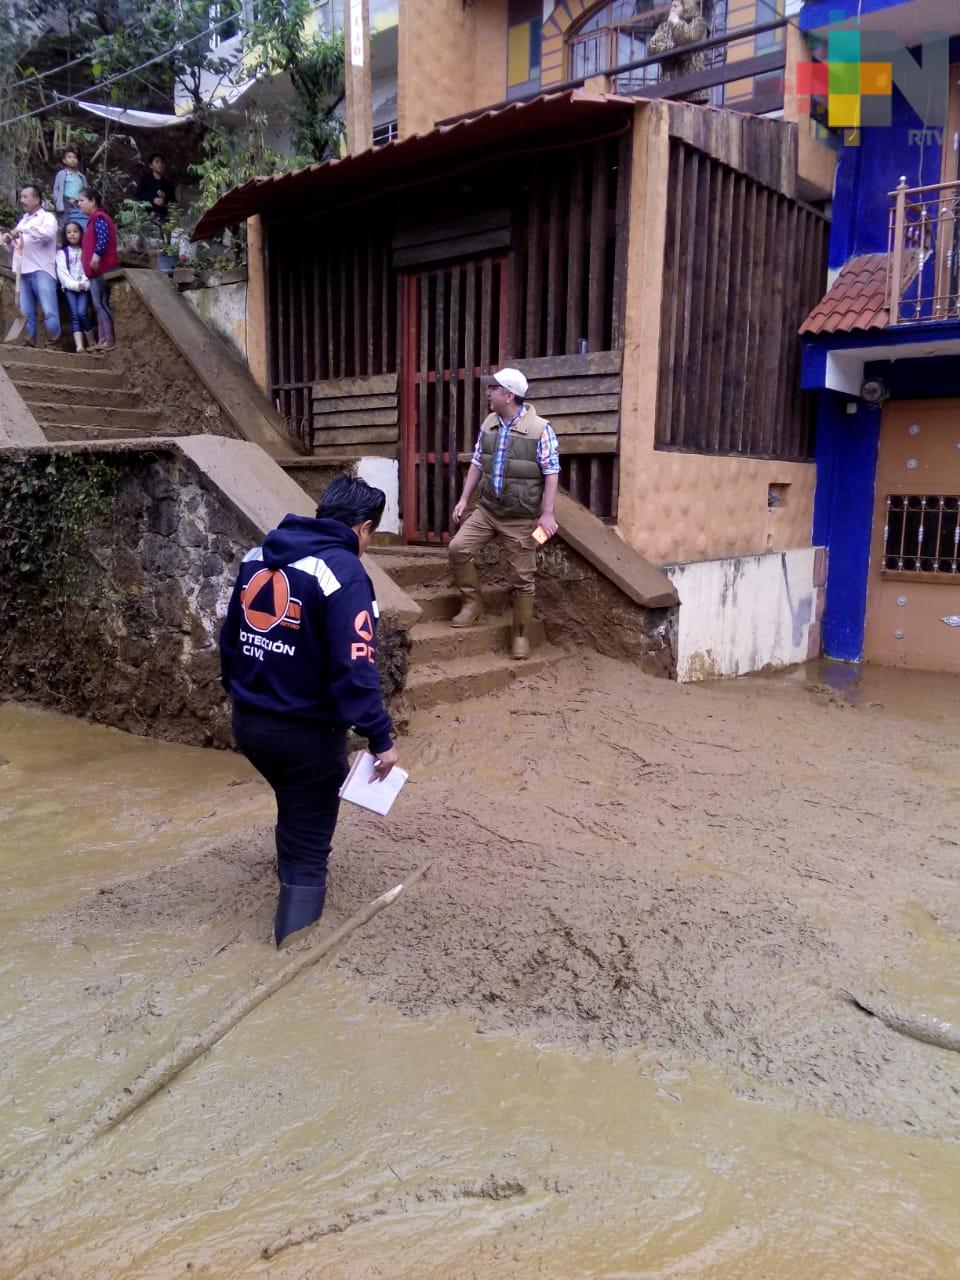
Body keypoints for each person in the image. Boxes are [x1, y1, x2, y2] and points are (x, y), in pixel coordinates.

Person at [219, 475, 400, 948]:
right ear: (362, 528)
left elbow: (229, 638)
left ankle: (286, 867)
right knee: (309, 846)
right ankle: (291, 950)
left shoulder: (258, 555)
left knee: (293, 802)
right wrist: (380, 737)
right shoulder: (344, 570)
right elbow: (356, 664)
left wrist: (240, 694)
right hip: (305, 736)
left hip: (249, 722)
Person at [448, 367, 560, 660]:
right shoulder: (489, 423)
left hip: (520, 517)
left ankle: (520, 635)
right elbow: (477, 463)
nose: (488, 393)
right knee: (458, 548)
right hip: (487, 511)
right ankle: (472, 604)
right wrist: (463, 499)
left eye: (493, 389)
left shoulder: (540, 430)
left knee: (523, 577)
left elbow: (551, 472)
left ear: (508, 395)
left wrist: (547, 515)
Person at [1, 184, 60, 349]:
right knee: (26, 312)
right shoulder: (23, 220)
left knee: (49, 310)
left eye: (26, 196)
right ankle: (29, 341)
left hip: (42, 269)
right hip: (23, 271)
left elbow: (47, 234)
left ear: (37, 199)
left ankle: (53, 342)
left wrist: (24, 230)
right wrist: (8, 239)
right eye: (21, 197)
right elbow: (19, 244)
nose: (22, 200)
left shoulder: (47, 217)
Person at [77, 187, 119, 351]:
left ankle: (108, 339)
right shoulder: (93, 220)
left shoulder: (100, 218)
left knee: (101, 303)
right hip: (94, 271)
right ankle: (102, 339)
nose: (78, 204)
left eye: (82, 200)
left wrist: (97, 255)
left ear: (93, 201)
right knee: (98, 304)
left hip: (102, 269)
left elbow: (103, 238)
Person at [56, 220, 95, 353]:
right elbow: (63, 274)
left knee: (82, 312)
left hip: (85, 287)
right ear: (65, 235)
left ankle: (91, 342)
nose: (72, 234)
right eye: (69, 232)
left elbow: (89, 270)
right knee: (74, 314)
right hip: (69, 289)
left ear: (81, 233)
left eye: (75, 231)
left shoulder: (86, 251)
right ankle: (79, 346)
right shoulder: (62, 253)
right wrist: (76, 285)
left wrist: (84, 283)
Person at [135, 153, 176, 223]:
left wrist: (165, 199)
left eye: (162, 162)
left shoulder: (168, 184)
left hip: (163, 217)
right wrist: (153, 199)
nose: (160, 164)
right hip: (147, 215)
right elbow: (138, 195)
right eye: (157, 162)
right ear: (151, 166)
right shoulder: (145, 179)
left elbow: (173, 202)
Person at [52, 147, 87, 229]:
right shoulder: (61, 174)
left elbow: (85, 190)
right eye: (69, 157)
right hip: (65, 202)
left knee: (78, 222)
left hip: (78, 202)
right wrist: (57, 200)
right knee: (65, 223)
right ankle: (64, 240)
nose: (72, 159)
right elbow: (56, 189)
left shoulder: (81, 176)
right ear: (64, 160)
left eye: (74, 157)